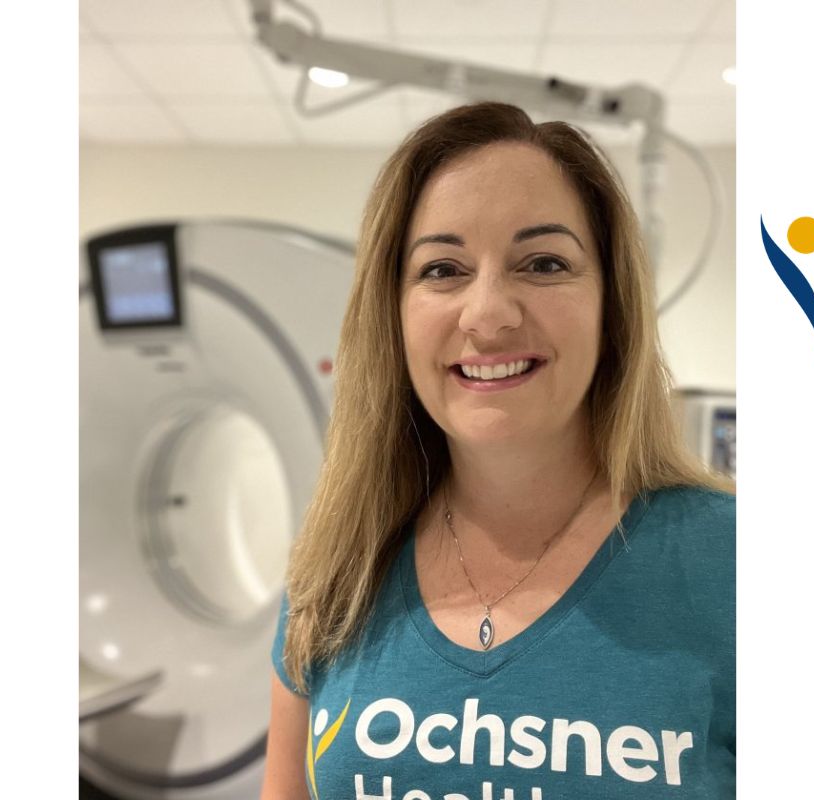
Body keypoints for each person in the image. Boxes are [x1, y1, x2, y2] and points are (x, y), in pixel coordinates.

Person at [261, 103, 734, 800]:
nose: (487, 314)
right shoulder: (337, 568)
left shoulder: (736, 564)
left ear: (613, 305)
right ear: (392, 313)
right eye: (442, 269)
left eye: (543, 263)